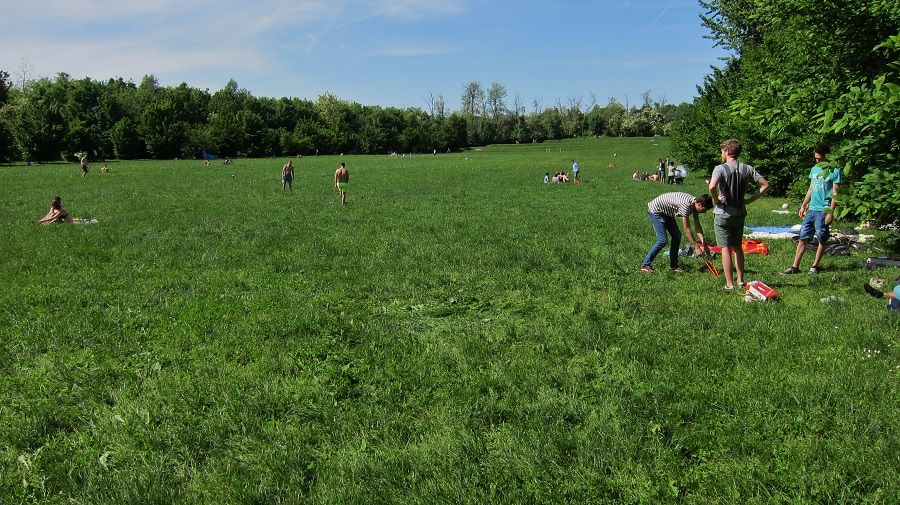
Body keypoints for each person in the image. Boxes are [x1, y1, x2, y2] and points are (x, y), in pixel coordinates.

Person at [708, 138, 770, 290]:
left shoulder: (720, 168)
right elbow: (765, 185)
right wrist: (749, 200)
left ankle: (729, 284)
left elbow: (712, 186)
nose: (721, 154)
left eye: (722, 151)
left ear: (728, 151)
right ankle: (741, 280)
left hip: (723, 213)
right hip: (740, 213)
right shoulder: (747, 169)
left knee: (725, 248)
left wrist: (716, 199)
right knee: (737, 247)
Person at [783, 145, 841, 275]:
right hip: (812, 209)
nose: (817, 161)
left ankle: (815, 266)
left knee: (821, 238)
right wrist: (804, 204)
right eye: (816, 158)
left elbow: (836, 193)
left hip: (824, 210)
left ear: (827, 157)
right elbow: (811, 188)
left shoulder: (835, 171)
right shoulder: (814, 169)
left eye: (820, 159)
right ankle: (795, 266)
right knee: (803, 237)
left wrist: (831, 212)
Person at [640, 192, 713, 273]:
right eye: (704, 210)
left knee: (677, 236)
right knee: (662, 240)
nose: (704, 212)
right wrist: (696, 247)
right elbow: (687, 229)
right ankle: (645, 265)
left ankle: (673, 265)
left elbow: (697, 226)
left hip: (667, 212)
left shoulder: (694, 203)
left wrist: (704, 243)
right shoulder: (686, 205)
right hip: (656, 211)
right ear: (699, 204)